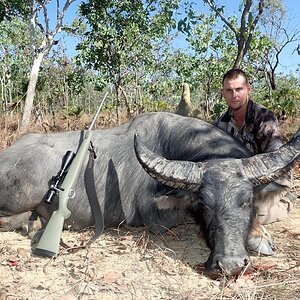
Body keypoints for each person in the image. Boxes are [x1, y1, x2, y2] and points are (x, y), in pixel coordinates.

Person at [214, 68, 296, 225]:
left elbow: (276, 161)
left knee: (253, 213)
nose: (234, 95)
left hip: (273, 178)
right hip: (240, 181)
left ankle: (287, 203)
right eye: (229, 90)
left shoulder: (265, 118)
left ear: (248, 89)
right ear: (223, 93)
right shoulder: (221, 123)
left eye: (239, 89)